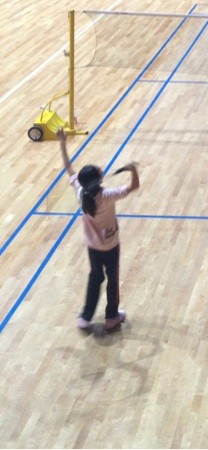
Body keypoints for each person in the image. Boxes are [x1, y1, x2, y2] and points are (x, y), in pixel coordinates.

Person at [58, 127, 140, 332]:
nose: (101, 168)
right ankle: (111, 317)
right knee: (112, 280)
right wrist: (133, 170)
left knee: (95, 278)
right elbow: (133, 187)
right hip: (111, 245)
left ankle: (86, 317)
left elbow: (69, 167)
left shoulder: (81, 193)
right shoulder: (107, 195)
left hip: (93, 247)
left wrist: (62, 142)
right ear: (98, 178)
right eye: (99, 169)